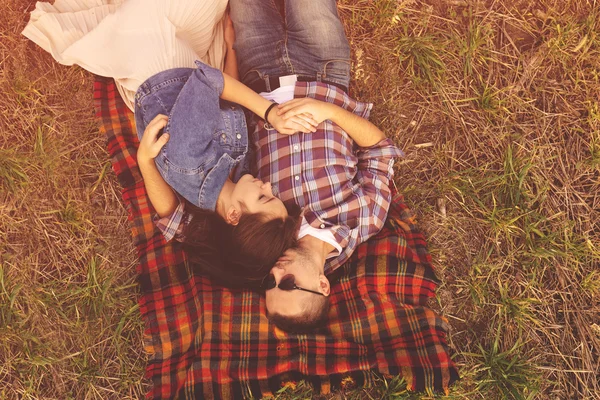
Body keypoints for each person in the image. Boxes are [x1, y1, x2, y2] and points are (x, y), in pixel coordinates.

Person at [22, 0, 316, 281]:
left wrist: (270, 112)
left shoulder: (189, 161)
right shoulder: (237, 176)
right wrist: (230, 49)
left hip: (154, 52)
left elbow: (208, 81)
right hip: (190, 62)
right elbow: (227, 104)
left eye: (264, 196)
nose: (267, 185)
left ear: (234, 215)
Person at [229, 0, 405, 331]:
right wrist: (328, 112)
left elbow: (182, 222)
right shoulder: (364, 219)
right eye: (289, 284)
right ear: (323, 285)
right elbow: (381, 150)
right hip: (324, 71)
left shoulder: (265, 234)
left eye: (270, 284)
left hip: (258, 78)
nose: (278, 274)